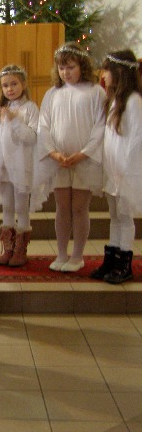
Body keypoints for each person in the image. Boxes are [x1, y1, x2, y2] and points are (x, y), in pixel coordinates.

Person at [32, 43, 106, 272]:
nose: (66, 72)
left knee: (79, 208)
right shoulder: (53, 93)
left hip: (85, 159)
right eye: (62, 68)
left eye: (71, 67)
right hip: (59, 160)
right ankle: (62, 253)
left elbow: (100, 126)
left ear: (82, 66)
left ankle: (77, 256)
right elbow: (43, 125)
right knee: (62, 207)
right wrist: (53, 152)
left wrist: (84, 153)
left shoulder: (95, 92)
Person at [90, 50, 142, 284]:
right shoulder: (113, 101)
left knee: (124, 217)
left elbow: (137, 139)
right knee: (114, 216)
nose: (103, 75)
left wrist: (126, 171)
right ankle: (111, 258)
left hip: (125, 171)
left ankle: (124, 263)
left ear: (120, 73)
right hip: (113, 170)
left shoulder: (134, 102)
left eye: (107, 70)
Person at [0, 65, 39, 267]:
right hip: (3, 166)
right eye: (5, 85)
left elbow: (32, 136)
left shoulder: (30, 108)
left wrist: (15, 121)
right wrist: (1, 123)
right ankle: (8, 247)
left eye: (14, 84)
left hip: (21, 165)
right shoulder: (1, 109)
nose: (9, 89)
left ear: (23, 84)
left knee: (20, 206)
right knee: (8, 206)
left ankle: (20, 249)